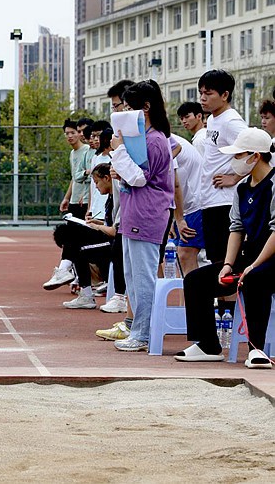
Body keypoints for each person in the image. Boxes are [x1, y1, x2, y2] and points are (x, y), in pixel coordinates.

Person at [175, 128, 275, 368]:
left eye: (238, 155)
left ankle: (256, 349)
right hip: (250, 256)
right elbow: (236, 228)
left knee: (255, 279)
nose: (234, 161)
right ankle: (208, 345)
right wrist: (228, 264)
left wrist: (253, 265)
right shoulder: (242, 189)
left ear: (256, 156)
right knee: (196, 280)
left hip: (270, 259)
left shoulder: (273, 184)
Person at [109, 79, 174, 352]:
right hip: (132, 214)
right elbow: (132, 174)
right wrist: (118, 166)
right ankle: (138, 328)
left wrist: (118, 152)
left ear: (145, 108)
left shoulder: (156, 140)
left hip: (147, 215)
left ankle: (143, 333)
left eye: (129, 107)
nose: (125, 113)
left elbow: (139, 178)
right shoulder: (142, 139)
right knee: (132, 276)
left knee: (144, 276)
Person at [198, 69, 248, 264]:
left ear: (225, 95)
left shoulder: (231, 121)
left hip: (224, 202)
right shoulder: (212, 119)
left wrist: (234, 177)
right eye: (201, 92)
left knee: (225, 262)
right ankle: (223, 296)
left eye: (208, 93)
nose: (202, 98)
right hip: (210, 199)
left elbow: (255, 150)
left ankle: (231, 296)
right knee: (215, 260)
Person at [44, 118, 92, 290]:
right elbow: (75, 177)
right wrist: (67, 197)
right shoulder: (73, 154)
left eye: (73, 132)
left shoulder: (87, 150)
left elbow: (89, 176)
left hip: (84, 203)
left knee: (76, 240)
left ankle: (69, 271)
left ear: (79, 134)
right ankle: (73, 275)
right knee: (73, 240)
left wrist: (86, 198)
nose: (70, 136)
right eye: (67, 133)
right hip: (74, 202)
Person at [171, 133, 205, 276]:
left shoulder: (162, 140)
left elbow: (174, 184)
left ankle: (195, 298)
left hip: (194, 205)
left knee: (186, 254)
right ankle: (185, 299)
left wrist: (178, 219)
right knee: (182, 257)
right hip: (186, 206)